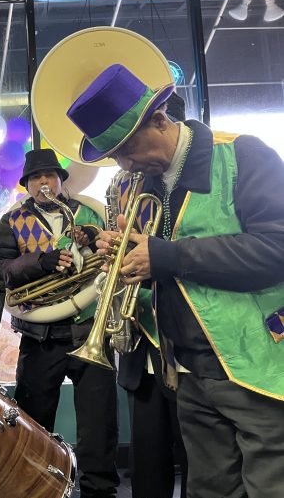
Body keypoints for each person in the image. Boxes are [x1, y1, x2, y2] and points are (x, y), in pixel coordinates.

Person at [70, 62, 284, 498]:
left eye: (128, 150)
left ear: (161, 120)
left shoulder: (244, 153)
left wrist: (162, 256)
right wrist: (132, 256)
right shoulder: (145, 183)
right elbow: (176, 273)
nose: (125, 165)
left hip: (254, 364)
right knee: (210, 489)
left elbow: (276, 249)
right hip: (185, 370)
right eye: (116, 158)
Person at [0, 148, 120, 498]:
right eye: (36, 177)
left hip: (88, 327)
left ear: (61, 180)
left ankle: (100, 491)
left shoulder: (89, 213)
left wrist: (94, 239)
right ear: (27, 185)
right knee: (34, 424)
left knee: (99, 425)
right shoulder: (11, 220)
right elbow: (5, 271)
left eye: (50, 175)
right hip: (40, 335)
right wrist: (42, 262)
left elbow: (114, 253)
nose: (44, 182)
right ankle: (39, 490)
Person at [117, 91, 188, 498]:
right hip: (141, 343)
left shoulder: (189, 182)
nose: (127, 164)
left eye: (130, 149)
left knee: (198, 456)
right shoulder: (129, 188)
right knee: (146, 458)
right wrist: (117, 249)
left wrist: (154, 253)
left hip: (182, 343)